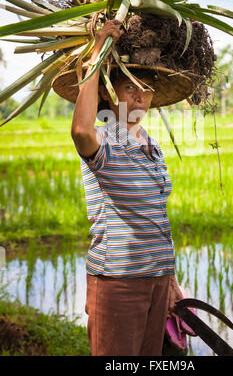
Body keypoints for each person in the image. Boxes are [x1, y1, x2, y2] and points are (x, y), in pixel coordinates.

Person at [71, 19, 184, 356]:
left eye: (146, 88)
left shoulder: (151, 145)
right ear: (110, 91)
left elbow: (156, 217)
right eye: (130, 87)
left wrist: (171, 282)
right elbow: (80, 131)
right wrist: (96, 54)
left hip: (158, 277)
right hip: (119, 280)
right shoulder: (103, 140)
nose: (140, 95)